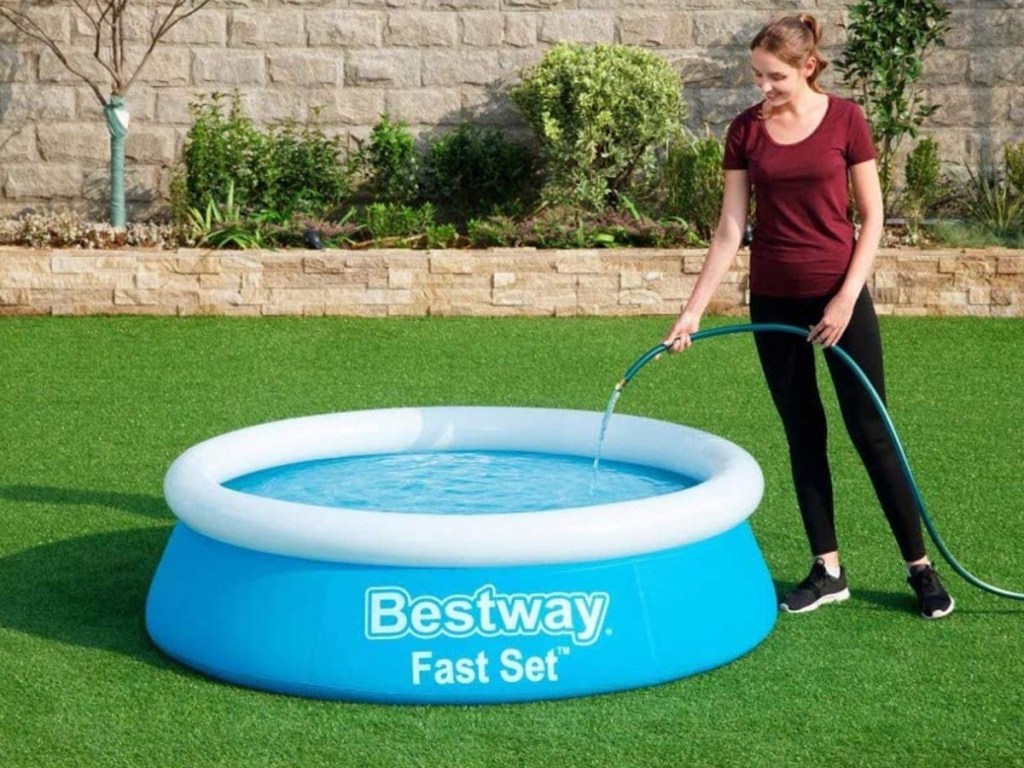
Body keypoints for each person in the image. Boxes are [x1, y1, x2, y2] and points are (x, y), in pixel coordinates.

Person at [662, 13, 955, 619]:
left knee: (871, 432)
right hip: (773, 300)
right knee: (804, 433)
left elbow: (871, 218)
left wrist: (847, 297)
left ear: (808, 66)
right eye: (757, 76)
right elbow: (730, 229)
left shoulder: (846, 119)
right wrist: (691, 311)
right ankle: (827, 568)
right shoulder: (746, 131)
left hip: (839, 296)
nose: (762, 88)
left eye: (774, 77)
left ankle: (919, 569)